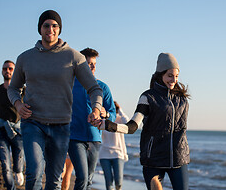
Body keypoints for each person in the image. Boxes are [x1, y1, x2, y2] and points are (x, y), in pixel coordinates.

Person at [7, 10, 103, 190]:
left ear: (59, 29)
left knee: (54, 178)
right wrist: (18, 104)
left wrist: (96, 110)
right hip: (33, 122)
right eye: (46, 25)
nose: (50, 29)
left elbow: (94, 88)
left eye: (54, 26)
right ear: (40, 29)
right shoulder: (25, 58)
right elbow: (13, 88)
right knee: (34, 172)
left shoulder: (74, 57)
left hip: (61, 125)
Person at [97, 53, 190, 190]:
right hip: (153, 159)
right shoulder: (148, 97)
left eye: (176, 76)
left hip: (178, 157)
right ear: (160, 74)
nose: (174, 80)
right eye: (170, 75)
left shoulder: (182, 100)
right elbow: (133, 126)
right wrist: (107, 125)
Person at [68, 47, 116, 190]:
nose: (93, 66)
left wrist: (105, 114)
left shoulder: (102, 87)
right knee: (82, 177)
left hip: (95, 139)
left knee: (89, 179)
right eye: (89, 63)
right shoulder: (69, 85)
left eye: (94, 63)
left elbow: (112, 113)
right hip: (74, 137)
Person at [0, 60, 24, 189]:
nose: (7, 71)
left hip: (18, 131)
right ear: (2, 71)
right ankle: (10, 188)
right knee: (5, 165)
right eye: (5, 69)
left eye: (10, 69)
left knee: (18, 162)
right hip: (1, 130)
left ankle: (18, 171)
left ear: (15, 71)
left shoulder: (23, 90)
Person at [99, 101, 130, 190]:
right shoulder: (102, 121)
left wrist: (119, 109)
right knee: (108, 183)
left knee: (119, 182)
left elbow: (128, 122)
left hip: (118, 154)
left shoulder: (120, 120)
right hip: (104, 155)